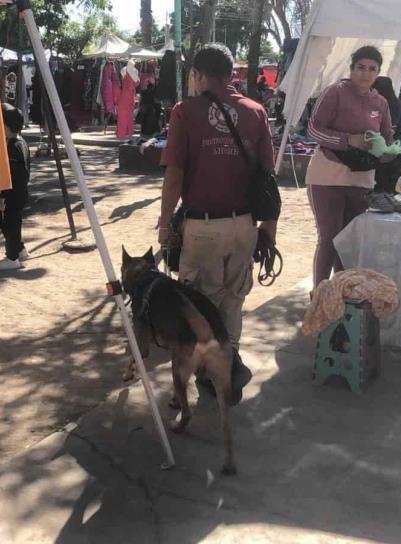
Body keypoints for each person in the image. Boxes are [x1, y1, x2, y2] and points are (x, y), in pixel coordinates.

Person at [159, 43, 276, 398]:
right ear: (231, 75)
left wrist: (165, 224)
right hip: (244, 227)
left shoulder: (185, 111)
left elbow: (174, 175)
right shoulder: (256, 112)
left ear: (197, 75)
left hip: (204, 228)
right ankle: (229, 362)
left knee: (198, 308)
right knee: (232, 302)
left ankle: (215, 372)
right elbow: (267, 181)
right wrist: (267, 236)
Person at [306, 46, 393, 284]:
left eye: (372, 69)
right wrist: (348, 140)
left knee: (350, 239)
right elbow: (313, 129)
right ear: (352, 68)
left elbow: (387, 138)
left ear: (378, 73)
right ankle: (321, 295)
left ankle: (345, 293)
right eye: (361, 67)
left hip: (361, 179)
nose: (366, 73)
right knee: (329, 238)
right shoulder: (334, 93)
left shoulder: (381, 103)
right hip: (327, 174)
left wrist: (388, 151)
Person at [0, 103, 31, 270]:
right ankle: (20, 249)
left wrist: (2, 196)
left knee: (7, 221)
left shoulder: (11, 147)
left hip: (13, 193)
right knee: (14, 221)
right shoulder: (22, 142)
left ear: (6, 126)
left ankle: (12, 257)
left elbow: (11, 176)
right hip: (21, 191)